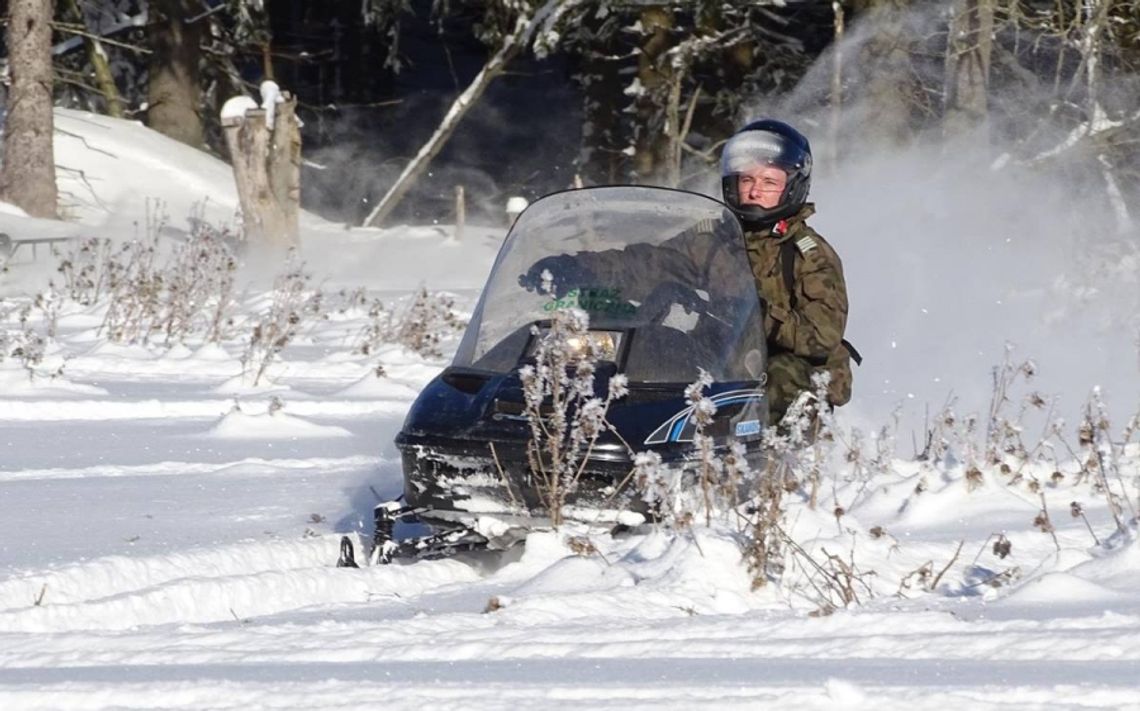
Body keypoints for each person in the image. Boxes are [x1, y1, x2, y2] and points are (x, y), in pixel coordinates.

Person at [720, 118, 856, 422]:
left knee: (781, 374)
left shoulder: (809, 253)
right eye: (746, 180)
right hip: (724, 362)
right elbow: (654, 262)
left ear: (791, 187)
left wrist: (757, 314)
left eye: (769, 182)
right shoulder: (714, 240)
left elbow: (823, 335)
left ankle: (777, 462)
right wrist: (595, 265)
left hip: (793, 373)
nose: (755, 191)